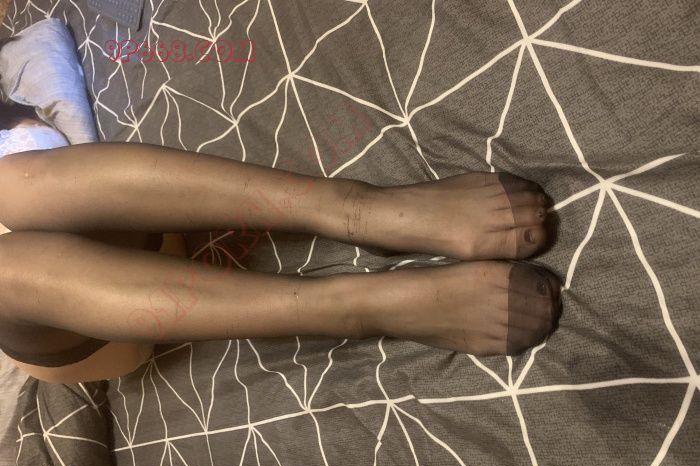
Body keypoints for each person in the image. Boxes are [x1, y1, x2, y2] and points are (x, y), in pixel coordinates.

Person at [0, 98, 561, 384]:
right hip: (81, 331)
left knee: (11, 188)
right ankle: (352, 308)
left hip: (117, 224)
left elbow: (31, 129)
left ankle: (357, 209)